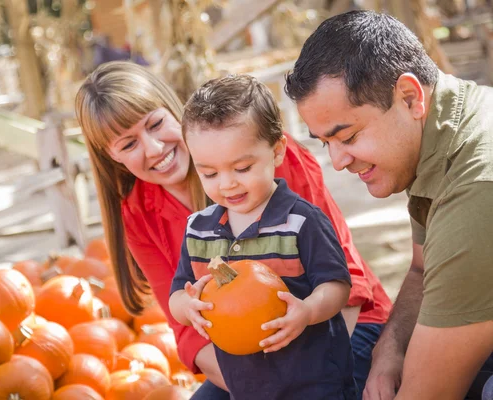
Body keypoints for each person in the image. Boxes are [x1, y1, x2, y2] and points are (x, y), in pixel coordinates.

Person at [75, 61, 391, 398]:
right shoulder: (138, 214)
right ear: (112, 159)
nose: (154, 149)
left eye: (155, 124)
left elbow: (346, 283)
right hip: (248, 369)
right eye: (128, 145)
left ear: (174, 112)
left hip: (339, 332)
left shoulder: (265, 160)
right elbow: (188, 332)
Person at [285, 10, 493, 400]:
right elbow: (421, 267)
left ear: (410, 97)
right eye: (324, 142)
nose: (338, 161)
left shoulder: (477, 189)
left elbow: (428, 393)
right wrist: (388, 349)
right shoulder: (440, 129)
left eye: (347, 136)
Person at [168, 74, 356, 399]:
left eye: (242, 168)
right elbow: (176, 294)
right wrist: (188, 305)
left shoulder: (301, 221)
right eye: (209, 173)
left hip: (314, 383)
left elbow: (336, 285)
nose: (226, 184)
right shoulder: (198, 230)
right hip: (247, 387)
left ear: (277, 151)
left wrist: (308, 310)